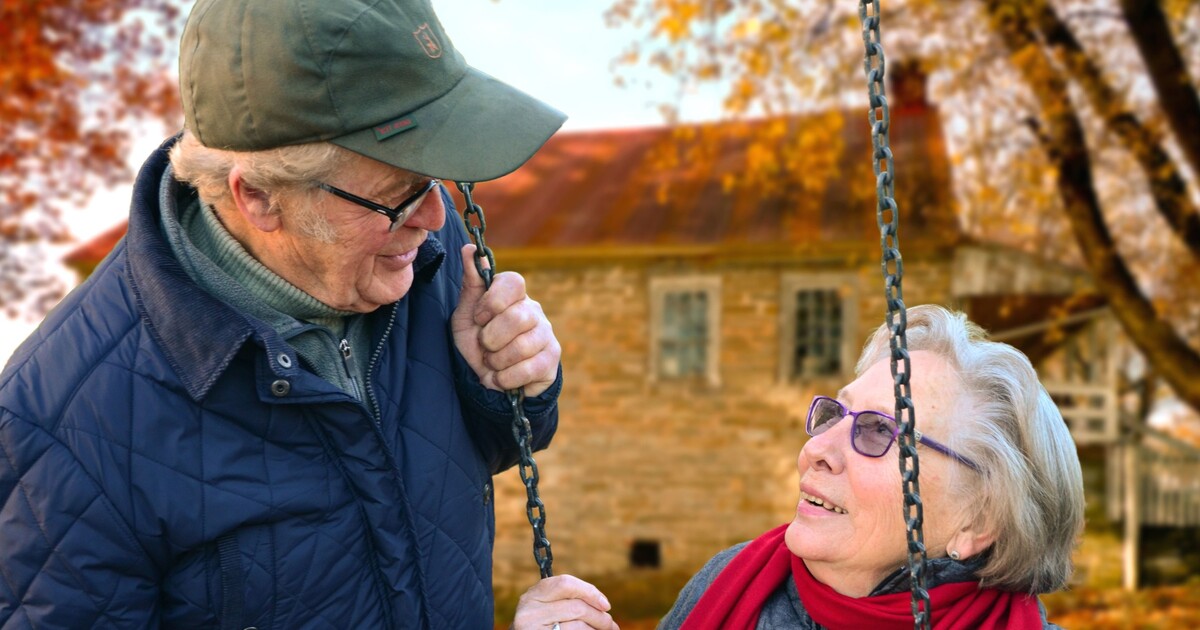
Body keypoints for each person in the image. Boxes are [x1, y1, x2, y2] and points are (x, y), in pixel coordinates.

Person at [0, 0, 571, 627]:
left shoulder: (415, 252)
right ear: (260, 199)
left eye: (436, 180)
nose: (434, 219)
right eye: (396, 197)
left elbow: (443, 467)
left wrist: (507, 389)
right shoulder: (56, 436)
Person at [658, 304, 1086, 629]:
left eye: (879, 431)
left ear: (977, 521)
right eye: (836, 413)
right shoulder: (728, 584)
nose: (817, 450)